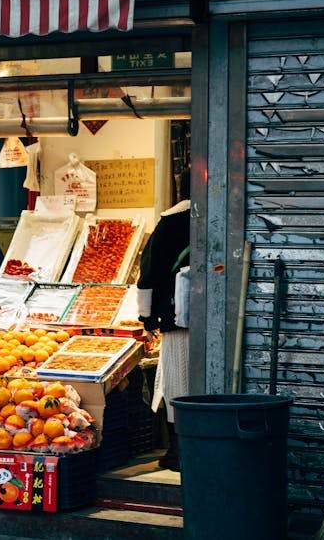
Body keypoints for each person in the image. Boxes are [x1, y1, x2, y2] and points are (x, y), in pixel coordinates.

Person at [138, 176, 191, 471]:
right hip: (215, 318)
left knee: (176, 383)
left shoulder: (171, 220)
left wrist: (146, 316)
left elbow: (149, 272)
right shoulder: (226, 213)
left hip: (176, 316)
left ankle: (178, 450)